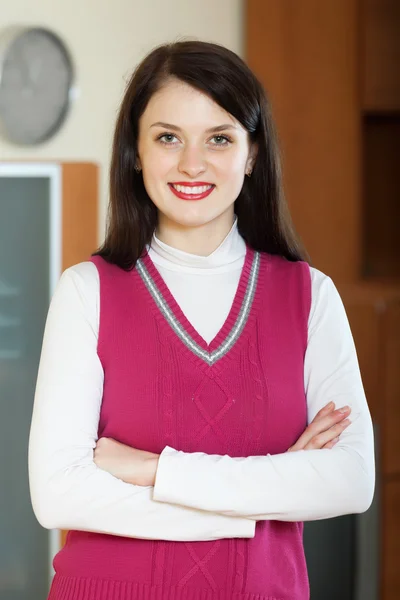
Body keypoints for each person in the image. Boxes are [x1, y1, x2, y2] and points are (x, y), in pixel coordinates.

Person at [28, 40, 375, 600]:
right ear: (136, 152)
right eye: (168, 137)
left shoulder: (309, 296)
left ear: (253, 152)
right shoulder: (86, 292)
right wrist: (263, 493)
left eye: (219, 138)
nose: (193, 163)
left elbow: (351, 482)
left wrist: (155, 470)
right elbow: (57, 494)